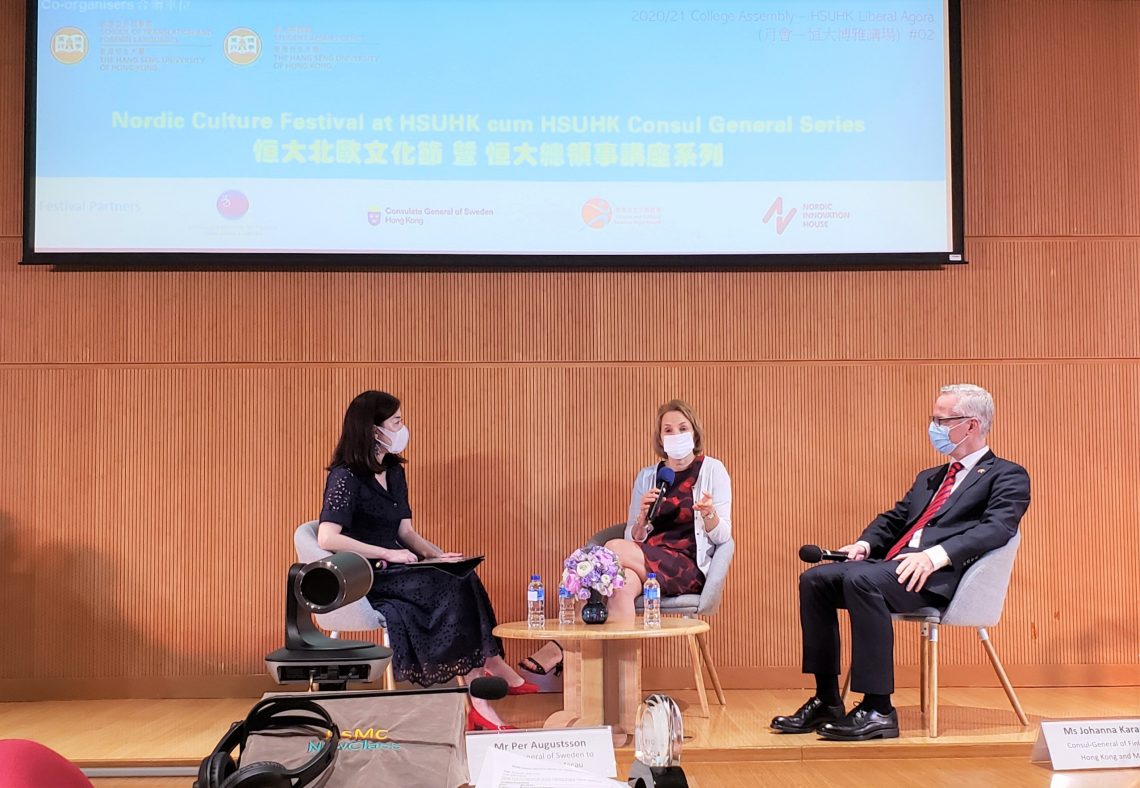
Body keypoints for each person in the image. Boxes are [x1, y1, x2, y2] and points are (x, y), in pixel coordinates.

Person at [771, 384, 1031, 741]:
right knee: (816, 580)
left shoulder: (1007, 474)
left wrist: (934, 556)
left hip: (941, 577)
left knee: (862, 581)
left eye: (942, 420)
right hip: (895, 569)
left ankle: (878, 708)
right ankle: (827, 699)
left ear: (971, 425)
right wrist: (865, 544)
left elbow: (997, 528)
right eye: (933, 419)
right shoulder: (931, 477)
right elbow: (894, 519)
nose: (934, 427)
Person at [317, 390, 536, 732]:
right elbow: (327, 537)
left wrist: (437, 555)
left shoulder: (393, 471)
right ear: (374, 430)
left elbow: (406, 532)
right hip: (368, 574)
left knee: (461, 573)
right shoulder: (346, 476)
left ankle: (487, 671)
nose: (403, 428)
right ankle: (481, 691)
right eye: (397, 422)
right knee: (450, 585)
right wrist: (387, 553)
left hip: (399, 566)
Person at [525, 397, 731, 686]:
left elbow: (724, 537)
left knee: (611, 550)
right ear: (660, 438)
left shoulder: (713, 470)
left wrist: (709, 514)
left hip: (685, 566)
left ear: (694, 433)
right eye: (668, 430)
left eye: (682, 428)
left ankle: (563, 642)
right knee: (621, 589)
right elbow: (632, 538)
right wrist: (641, 519)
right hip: (646, 559)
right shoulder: (649, 476)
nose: (675, 435)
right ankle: (617, 695)